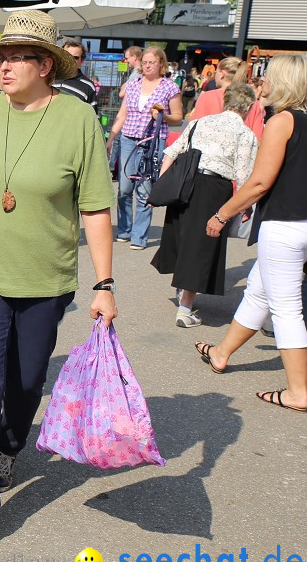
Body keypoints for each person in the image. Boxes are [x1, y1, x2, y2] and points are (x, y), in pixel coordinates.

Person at [0, 10, 116, 558]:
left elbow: (96, 206)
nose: (1, 65)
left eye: (15, 57)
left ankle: (11, 445)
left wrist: (104, 282)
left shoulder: (77, 119)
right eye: (0, 56)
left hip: (43, 278)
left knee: (27, 379)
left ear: (46, 66)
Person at [195, 55, 307, 413]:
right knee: (260, 290)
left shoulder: (283, 120)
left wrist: (222, 213)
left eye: (267, 77)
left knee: (286, 308)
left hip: (284, 224)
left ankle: (298, 391)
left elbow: (259, 180)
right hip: (301, 224)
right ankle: (221, 353)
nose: (263, 83)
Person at [151, 83, 258, 328]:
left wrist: (163, 184)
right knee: (200, 247)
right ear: (248, 107)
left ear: (226, 101)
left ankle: (183, 294)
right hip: (214, 189)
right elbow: (243, 175)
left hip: (185, 182)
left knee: (182, 239)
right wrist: (245, 206)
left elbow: (172, 151)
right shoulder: (245, 134)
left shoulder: (202, 122)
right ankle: (185, 309)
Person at [106, 45, 183, 249]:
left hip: (152, 141)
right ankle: (124, 229)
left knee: (144, 189)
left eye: (152, 63)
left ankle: (139, 236)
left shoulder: (169, 87)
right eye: (145, 62)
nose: (148, 66)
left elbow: (178, 117)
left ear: (161, 64)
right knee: (124, 188)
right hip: (129, 139)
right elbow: (122, 115)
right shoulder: (133, 85)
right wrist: (111, 138)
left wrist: (162, 116)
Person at [189, 57, 262, 140]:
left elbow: (195, 131)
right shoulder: (252, 102)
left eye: (216, 72)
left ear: (222, 74)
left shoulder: (207, 97)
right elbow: (257, 138)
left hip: (210, 150)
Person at [53, 38, 98, 111]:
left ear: (82, 60)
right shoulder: (49, 78)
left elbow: (92, 117)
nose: (70, 60)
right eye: (67, 55)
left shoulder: (88, 86)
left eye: (75, 57)